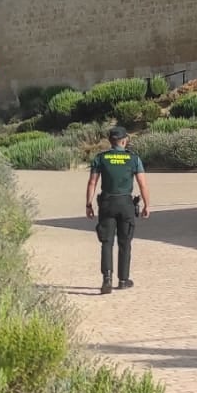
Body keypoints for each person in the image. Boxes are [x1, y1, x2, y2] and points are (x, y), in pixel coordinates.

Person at [84, 126, 150, 293]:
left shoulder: (101, 158)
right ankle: (123, 279)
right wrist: (147, 205)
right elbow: (142, 184)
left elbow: (92, 182)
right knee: (125, 242)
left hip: (107, 203)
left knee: (107, 242)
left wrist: (89, 204)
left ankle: (107, 278)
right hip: (126, 203)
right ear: (124, 140)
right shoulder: (133, 159)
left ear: (111, 141)